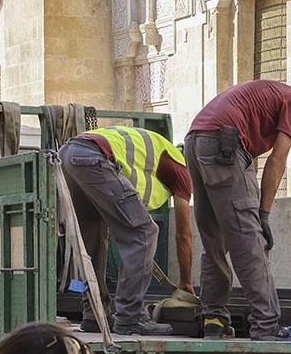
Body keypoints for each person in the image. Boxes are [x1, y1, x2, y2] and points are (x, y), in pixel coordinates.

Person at [184, 64, 291, 341]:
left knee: (215, 239)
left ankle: (213, 318)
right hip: (225, 144)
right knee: (250, 241)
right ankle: (266, 325)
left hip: (196, 141)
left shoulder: (273, 92)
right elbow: (277, 160)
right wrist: (264, 213)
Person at [59, 125, 195, 336]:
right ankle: (130, 316)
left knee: (92, 238)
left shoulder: (161, 154)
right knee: (145, 233)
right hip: (94, 157)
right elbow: (183, 235)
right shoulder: (182, 170)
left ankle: (94, 314)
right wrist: (185, 282)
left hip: (69, 154)